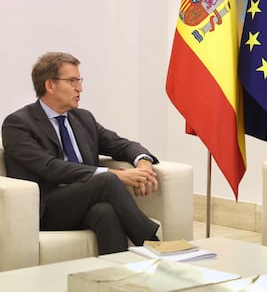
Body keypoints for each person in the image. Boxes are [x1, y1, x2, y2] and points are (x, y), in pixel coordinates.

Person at [2, 52, 160, 255]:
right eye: (72, 81)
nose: (80, 88)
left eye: (79, 80)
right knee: (107, 180)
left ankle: (115, 278)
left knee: (104, 212)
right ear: (50, 85)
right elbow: (50, 167)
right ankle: (156, 246)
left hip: (83, 202)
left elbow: (121, 145)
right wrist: (114, 175)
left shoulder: (82, 118)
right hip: (47, 208)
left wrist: (143, 163)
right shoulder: (18, 124)